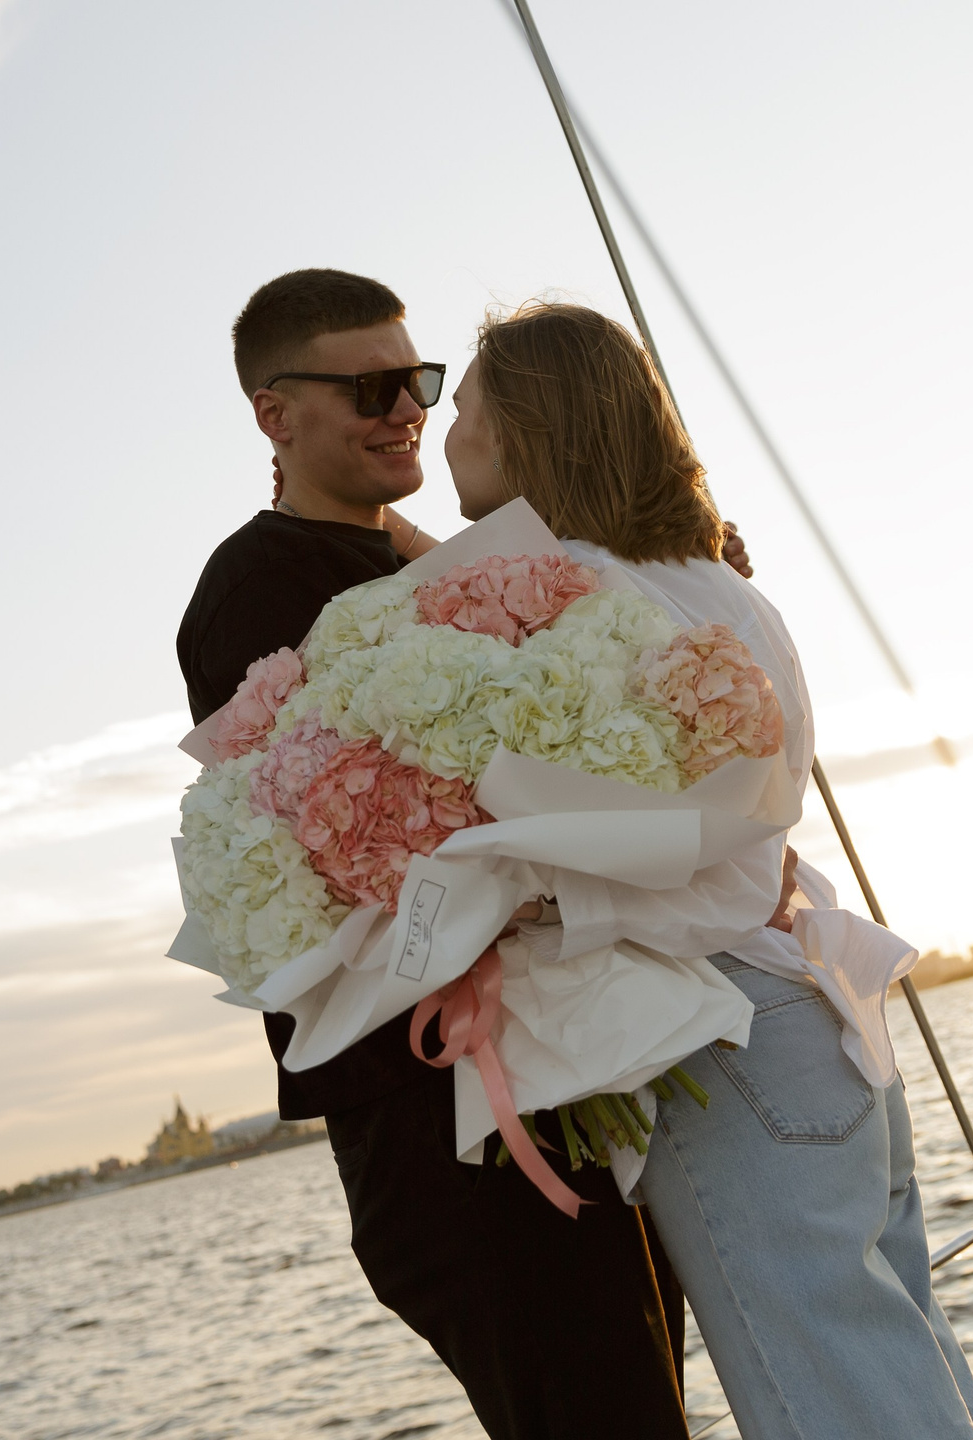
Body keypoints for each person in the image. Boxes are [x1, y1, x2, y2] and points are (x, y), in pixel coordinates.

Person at [442, 299, 973, 1440]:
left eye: (463, 409)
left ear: (523, 428)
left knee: (827, 1405)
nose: (445, 435)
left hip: (727, 1038)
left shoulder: (567, 605)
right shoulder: (725, 589)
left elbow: (589, 832)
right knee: (897, 1371)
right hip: (820, 1014)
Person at [177, 270, 693, 1437]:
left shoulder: (407, 568)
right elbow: (345, 842)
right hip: (440, 1117)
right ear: (276, 416)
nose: (406, 408)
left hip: (542, 1073)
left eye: (418, 381)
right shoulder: (258, 587)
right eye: (370, 387)